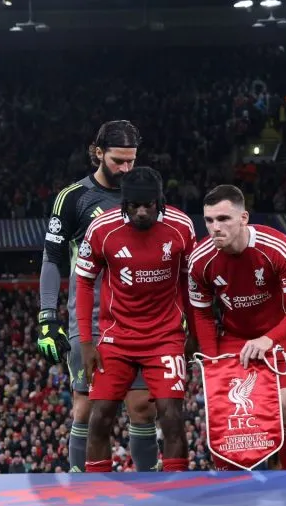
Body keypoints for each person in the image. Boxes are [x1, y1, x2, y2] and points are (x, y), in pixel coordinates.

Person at [36, 120, 159, 472]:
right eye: (118, 160)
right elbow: (52, 259)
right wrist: (47, 316)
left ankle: (149, 490)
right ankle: (82, 490)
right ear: (98, 153)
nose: (125, 169)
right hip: (88, 318)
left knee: (142, 407)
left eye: (131, 161)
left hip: (138, 317)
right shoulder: (73, 197)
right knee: (87, 408)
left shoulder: (144, 194)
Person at [73, 167, 196, 473]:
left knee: (171, 415)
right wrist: (87, 342)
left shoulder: (182, 227)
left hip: (165, 337)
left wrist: (192, 332)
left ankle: (175, 491)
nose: (142, 212)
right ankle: (97, 491)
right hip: (117, 337)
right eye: (134, 206)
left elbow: (189, 282)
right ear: (124, 203)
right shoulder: (102, 228)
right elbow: (84, 282)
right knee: (99, 414)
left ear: (160, 201)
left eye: (149, 205)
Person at [188, 185, 286, 470]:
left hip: (282, 334)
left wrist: (269, 339)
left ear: (244, 217)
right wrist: (211, 361)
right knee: (233, 422)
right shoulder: (200, 259)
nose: (214, 228)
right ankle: (240, 494)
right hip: (235, 339)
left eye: (223, 219)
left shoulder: (275, 246)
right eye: (209, 220)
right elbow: (203, 316)